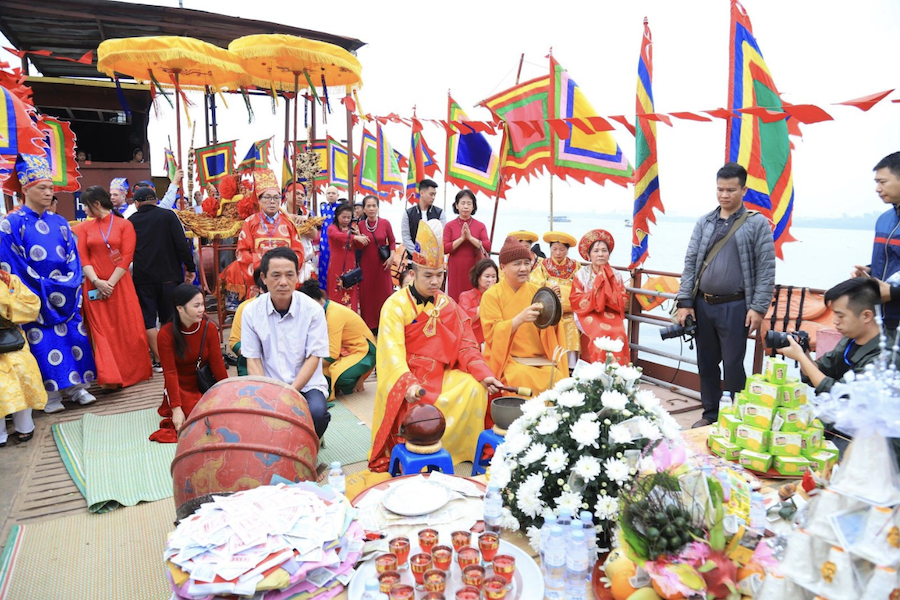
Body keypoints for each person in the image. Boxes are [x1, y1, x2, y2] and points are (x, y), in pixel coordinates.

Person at [369, 219, 501, 471]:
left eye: (439, 276)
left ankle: (458, 449)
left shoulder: (447, 304)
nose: (435, 282)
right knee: (416, 397)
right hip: (408, 374)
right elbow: (391, 353)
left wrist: (484, 375)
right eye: (428, 275)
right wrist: (407, 383)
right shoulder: (395, 306)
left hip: (441, 372)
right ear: (412, 273)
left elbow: (466, 345)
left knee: (474, 387)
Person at [675, 162, 776, 428]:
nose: (724, 195)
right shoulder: (704, 222)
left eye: (731, 190)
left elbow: (766, 269)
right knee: (707, 364)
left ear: (744, 189)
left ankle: (737, 416)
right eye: (720, 189)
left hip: (736, 305)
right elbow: (690, 262)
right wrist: (685, 302)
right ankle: (710, 414)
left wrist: (759, 307)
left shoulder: (756, 224)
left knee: (733, 364)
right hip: (703, 303)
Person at [0, 154, 97, 412]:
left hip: (64, 291)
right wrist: (42, 288)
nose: (48, 192)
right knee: (42, 342)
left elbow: (73, 258)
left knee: (75, 337)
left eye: (50, 188)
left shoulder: (60, 222)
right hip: (34, 294)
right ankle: (51, 395)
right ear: (25, 189)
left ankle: (78, 388)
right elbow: (12, 264)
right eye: (42, 187)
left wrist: (66, 284)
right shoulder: (12, 223)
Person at [241, 247, 331, 438]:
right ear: (263, 278)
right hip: (268, 384)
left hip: (306, 385)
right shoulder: (251, 312)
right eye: (276, 275)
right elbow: (253, 360)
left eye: (289, 275)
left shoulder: (313, 310)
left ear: (297, 276)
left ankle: (304, 450)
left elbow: (314, 358)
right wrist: (268, 393)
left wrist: (289, 393)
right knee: (246, 417)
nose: (283, 282)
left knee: (316, 412)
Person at [78, 186, 152, 388]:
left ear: (96, 204)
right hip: (94, 284)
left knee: (126, 327)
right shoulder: (84, 227)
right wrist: (97, 282)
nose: (84, 209)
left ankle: (129, 373)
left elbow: (126, 257)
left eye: (85, 205)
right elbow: (83, 257)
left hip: (120, 285)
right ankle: (108, 378)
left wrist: (109, 283)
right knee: (100, 330)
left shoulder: (124, 225)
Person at [481, 236, 569, 396]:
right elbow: (492, 334)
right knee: (518, 376)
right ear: (503, 267)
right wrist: (519, 319)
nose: (523, 268)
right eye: (517, 264)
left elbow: (551, 329)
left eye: (527, 263)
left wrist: (554, 315)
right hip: (508, 359)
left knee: (555, 376)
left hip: (537, 358)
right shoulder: (491, 295)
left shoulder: (538, 292)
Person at [129, 185, 196, 372]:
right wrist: (190, 267)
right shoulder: (168, 216)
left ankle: (160, 361)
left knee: (149, 320)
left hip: (143, 278)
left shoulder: (131, 221)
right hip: (169, 276)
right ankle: (175, 357)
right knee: (170, 318)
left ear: (136, 203)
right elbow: (181, 244)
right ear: (155, 200)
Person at [149, 284, 228, 443]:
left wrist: (227, 393)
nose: (202, 310)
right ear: (180, 308)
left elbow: (218, 365)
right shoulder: (165, 334)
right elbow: (170, 373)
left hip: (203, 383)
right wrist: (176, 408)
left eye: (203, 304)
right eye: (196, 305)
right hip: (179, 385)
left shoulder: (209, 328)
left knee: (220, 414)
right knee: (194, 418)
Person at [221, 169, 305, 303]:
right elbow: (242, 252)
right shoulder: (250, 222)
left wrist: (284, 271)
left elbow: (298, 252)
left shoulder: (289, 223)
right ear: (259, 200)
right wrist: (261, 273)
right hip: (258, 279)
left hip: (284, 280)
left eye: (276, 197)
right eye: (267, 197)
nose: (272, 201)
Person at [299, 279, 376, 399]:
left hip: (364, 352)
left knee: (338, 374)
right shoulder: (322, 311)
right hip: (345, 352)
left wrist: (308, 365)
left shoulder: (333, 314)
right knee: (322, 375)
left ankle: (356, 380)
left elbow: (332, 354)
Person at [0, 269, 48, 446]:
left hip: (12, 340)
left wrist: (7, 304)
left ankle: (25, 426)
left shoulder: (8, 279)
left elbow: (32, 305)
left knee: (23, 377)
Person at [854, 152, 900, 330]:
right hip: (881, 319)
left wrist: (894, 293)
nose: (877, 189)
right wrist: (870, 270)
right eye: (876, 183)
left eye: (883, 182)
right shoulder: (884, 220)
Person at [570, 229, 630, 365]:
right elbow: (575, 299)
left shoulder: (616, 275)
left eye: (604, 250)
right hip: (587, 313)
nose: (600, 254)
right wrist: (596, 296)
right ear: (589, 255)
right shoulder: (581, 274)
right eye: (596, 251)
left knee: (619, 331)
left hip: (610, 312)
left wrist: (609, 298)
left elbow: (623, 298)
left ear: (609, 254)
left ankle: (618, 372)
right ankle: (597, 370)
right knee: (599, 331)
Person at [531, 231, 580, 365]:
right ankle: (550, 358)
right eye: (554, 249)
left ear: (567, 250)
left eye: (562, 249)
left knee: (571, 325)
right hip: (549, 309)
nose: (558, 253)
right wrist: (549, 289)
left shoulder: (576, 266)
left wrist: (563, 291)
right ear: (550, 249)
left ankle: (570, 365)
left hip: (569, 310)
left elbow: (580, 288)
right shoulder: (542, 265)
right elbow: (534, 284)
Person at [443, 189, 491, 301]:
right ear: (456, 205)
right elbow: (445, 248)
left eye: (469, 204)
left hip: (474, 267)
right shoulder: (450, 225)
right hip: (456, 267)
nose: (466, 207)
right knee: (454, 297)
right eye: (462, 203)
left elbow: (487, 246)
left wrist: (470, 238)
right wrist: (461, 239)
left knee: (473, 298)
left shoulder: (480, 225)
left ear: (473, 207)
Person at [357, 195, 396, 331]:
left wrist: (392, 257)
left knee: (384, 293)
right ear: (364, 209)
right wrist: (359, 239)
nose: (371, 209)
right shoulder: (360, 225)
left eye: (374, 206)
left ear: (378, 208)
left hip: (383, 265)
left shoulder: (385, 223)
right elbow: (359, 247)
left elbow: (392, 241)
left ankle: (385, 324)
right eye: (368, 206)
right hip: (366, 264)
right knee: (367, 294)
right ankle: (368, 327)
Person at [326, 203, 367, 310]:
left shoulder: (352, 229)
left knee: (350, 289)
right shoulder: (332, 228)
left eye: (349, 217)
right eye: (343, 217)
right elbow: (337, 236)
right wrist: (355, 237)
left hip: (350, 266)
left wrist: (358, 235)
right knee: (336, 290)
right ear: (337, 216)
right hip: (336, 266)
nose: (346, 219)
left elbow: (360, 246)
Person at [229, 269, 264, 377]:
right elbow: (234, 342)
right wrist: (252, 354)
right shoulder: (246, 308)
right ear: (261, 288)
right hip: (250, 368)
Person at [459, 258, 498, 345]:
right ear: (477, 277)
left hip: (492, 341)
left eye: (493, 276)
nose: (490, 280)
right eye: (487, 276)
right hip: (472, 342)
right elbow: (465, 319)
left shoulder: (499, 296)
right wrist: (489, 297)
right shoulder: (466, 296)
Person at [400, 178, 445, 254]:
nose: (433, 197)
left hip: (433, 259)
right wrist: (417, 253)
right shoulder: (408, 213)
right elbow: (406, 237)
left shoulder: (440, 213)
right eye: (431, 194)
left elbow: (442, 235)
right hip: (413, 260)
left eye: (434, 194)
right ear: (421, 193)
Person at [317, 185, 341, 289]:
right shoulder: (323, 207)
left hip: (335, 240)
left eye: (333, 193)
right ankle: (323, 290)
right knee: (323, 264)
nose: (331, 195)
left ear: (337, 195)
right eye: (328, 193)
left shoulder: (340, 208)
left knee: (335, 265)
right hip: (324, 241)